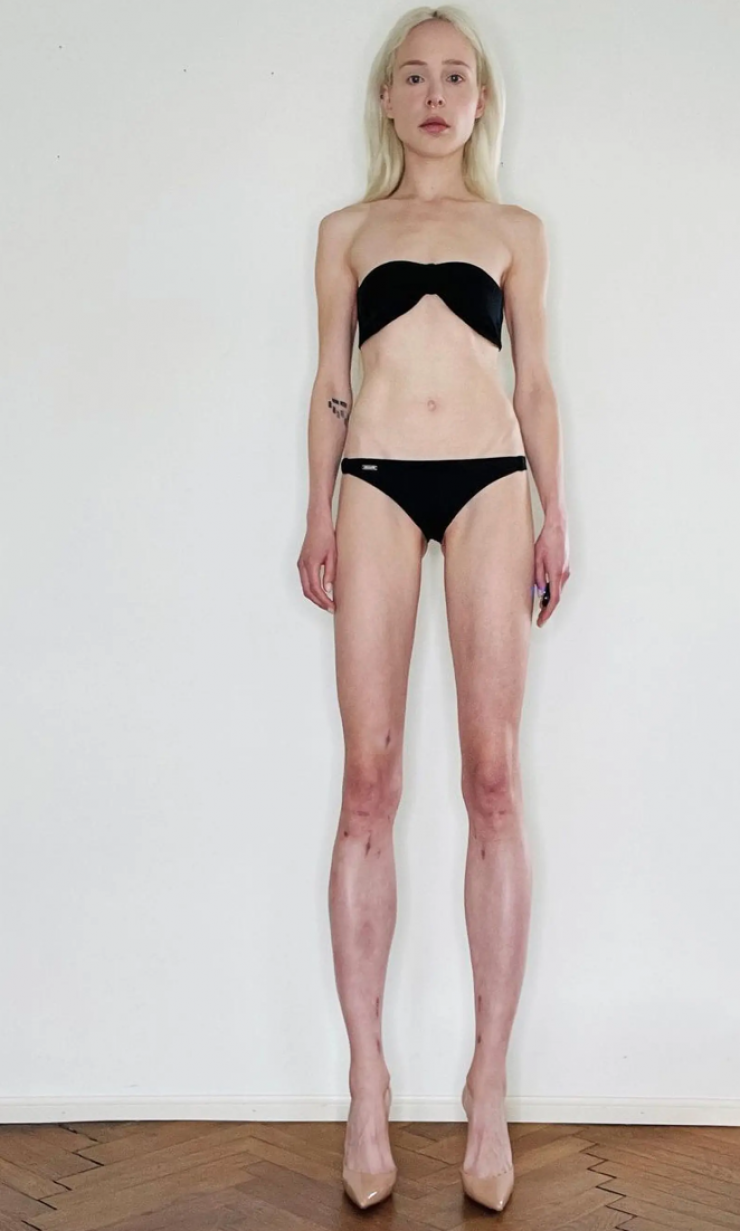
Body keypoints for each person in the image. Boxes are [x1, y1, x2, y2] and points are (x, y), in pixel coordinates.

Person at [296, 3, 570, 1212]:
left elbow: (535, 382)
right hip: (371, 486)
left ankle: (486, 1084)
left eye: (454, 76)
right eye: (412, 76)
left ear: (479, 99)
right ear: (385, 97)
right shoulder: (345, 231)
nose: (433, 94)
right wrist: (316, 511)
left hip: (492, 484)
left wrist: (554, 513)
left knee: (492, 779)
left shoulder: (514, 232)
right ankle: (366, 1083)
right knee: (368, 781)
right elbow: (329, 381)